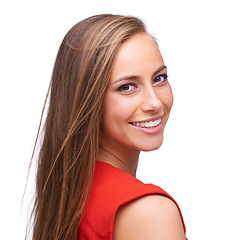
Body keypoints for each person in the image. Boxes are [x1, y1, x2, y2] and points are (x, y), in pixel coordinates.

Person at [30, 14, 187, 240]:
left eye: (159, 78)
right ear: (86, 98)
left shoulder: (69, 194)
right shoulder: (148, 211)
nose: (155, 102)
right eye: (126, 87)